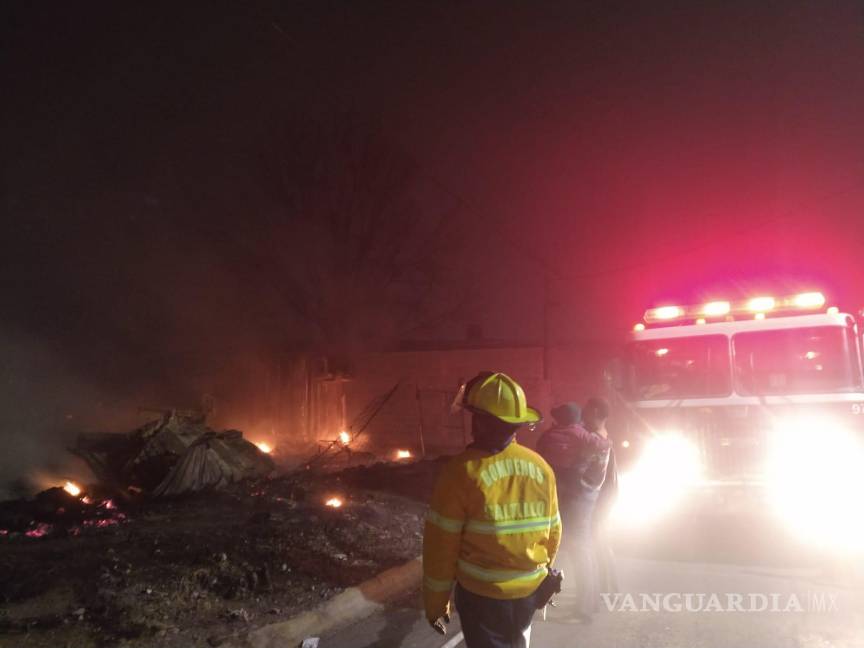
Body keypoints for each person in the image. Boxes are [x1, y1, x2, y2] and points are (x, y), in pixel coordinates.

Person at [423, 371, 561, 648]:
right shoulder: (541, 467)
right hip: (529, 592)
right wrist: (540, 575)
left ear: (480, 422)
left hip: (483, 597)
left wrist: (436, 603)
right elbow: (553, 532)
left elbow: (441, 547)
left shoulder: (461, 472)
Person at [536, 398, 612, 623]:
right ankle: (590, 604)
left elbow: (543, 457)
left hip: (574, 499)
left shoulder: (554, 436)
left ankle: (583, 611)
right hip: (587, 498)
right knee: (584, 549)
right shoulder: (594, 437)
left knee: (578, 549)